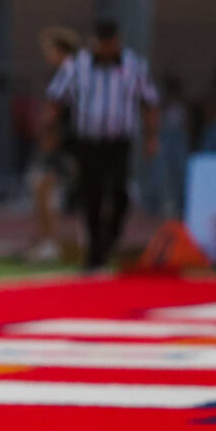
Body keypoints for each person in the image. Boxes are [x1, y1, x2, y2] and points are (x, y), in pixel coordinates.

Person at [45, 18, 159, 270]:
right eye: (101, 42)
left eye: (109, 42)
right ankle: (96, 253)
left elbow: (150, 102)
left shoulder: (134, 66)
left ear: (117, 41)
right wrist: (50, 131)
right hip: (88, 142)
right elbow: (55, 98)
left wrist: (152, 137)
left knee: (120, 192)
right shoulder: (77, 66)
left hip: (119, 142)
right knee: (92, 196)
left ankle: (109, 240)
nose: (105, 47)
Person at [27, 26, 81, 262]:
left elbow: (54, 109)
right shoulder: (77, 72)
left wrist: (46, 131)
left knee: (44, 189)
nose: (48, 56)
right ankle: (50, 240)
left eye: (50, 50)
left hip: (66, 142)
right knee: (46, 190)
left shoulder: (68, 72)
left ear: (61, 50)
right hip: (69, 141)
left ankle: (51, 242)